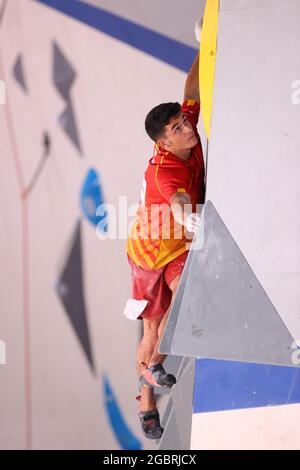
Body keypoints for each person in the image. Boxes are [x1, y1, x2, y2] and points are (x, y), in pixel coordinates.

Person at [124, 52, 205, 439]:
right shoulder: (163, 171)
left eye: (185, 121)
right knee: (151, 333)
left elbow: (192, 87)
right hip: (148, 253)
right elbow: (175, 199)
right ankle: (145, 398)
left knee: (184, 295)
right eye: (177, 128)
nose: (187, 128)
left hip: (176, 248)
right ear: (163, 142)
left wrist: (206, 42)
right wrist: (187, 214)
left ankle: (154, 368)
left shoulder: (186, 129)